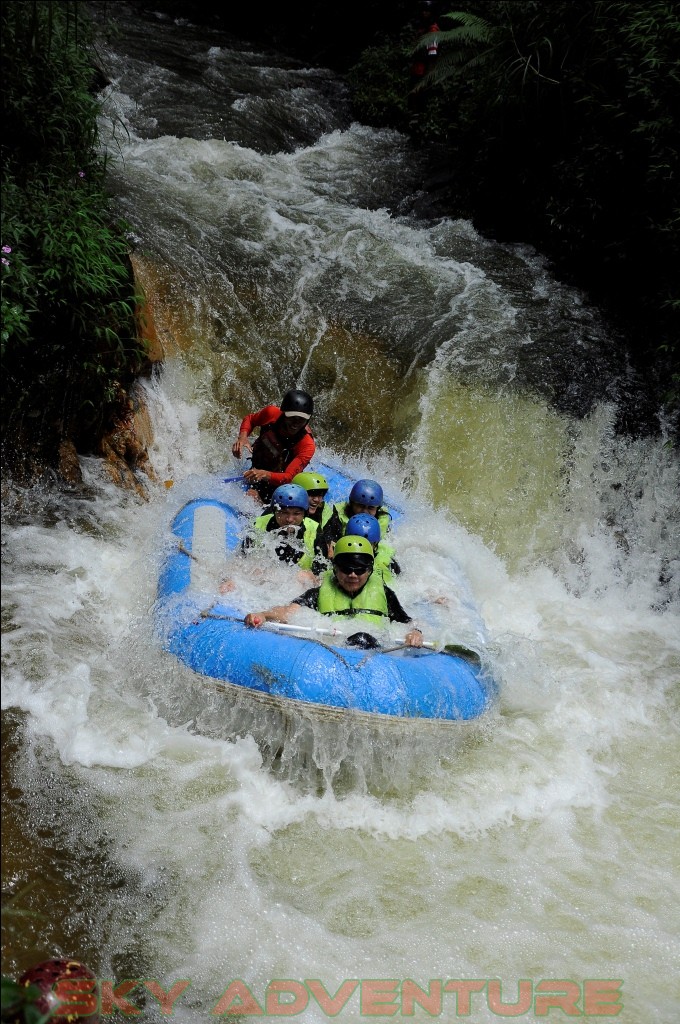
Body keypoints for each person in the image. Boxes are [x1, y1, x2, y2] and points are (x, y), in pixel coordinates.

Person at [244, 535, 424, 648]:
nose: (353, 575)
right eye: (346, 569)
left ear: (369, 571)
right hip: (334, 650)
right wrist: (264, 615)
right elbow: (289, 612)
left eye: (360, 570)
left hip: (375, 649)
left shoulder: (384, 593)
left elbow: (407, 621)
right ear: (335, 568)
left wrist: (415, 633)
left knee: (364, 639)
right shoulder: (319, 592)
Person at [220, 483, 327, 592]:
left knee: (303, 576)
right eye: (284, 513)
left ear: (304, 514)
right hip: (261, 581)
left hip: (294, 587)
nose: (290, 519)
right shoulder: (259, 525)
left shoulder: (315, 531)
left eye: (296, 514)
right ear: (275, 511)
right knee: (256, 569)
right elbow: (239, 559)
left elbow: (323, 573)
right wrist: (229, 579)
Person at [231, 389, 315, 503]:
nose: (295, 423)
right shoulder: (271, 413)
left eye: (301, 419)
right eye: (292, 418)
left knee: (251, 496)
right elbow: (250, 420)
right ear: (284, 413)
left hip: (278, 482)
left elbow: (288, 477)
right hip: (259, 465)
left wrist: (264, 474)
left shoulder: (307, 445)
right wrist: (243, 437)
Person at [321, 478, 392, 554]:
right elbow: (329, 533)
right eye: (360, 506)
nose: (364, 511)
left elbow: (384, 549)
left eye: (370, 508)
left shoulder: (382, 522)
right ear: (352, 504)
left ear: (377, 509)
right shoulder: (339, 515)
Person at [344, 512, 401, 584]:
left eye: (366, 544)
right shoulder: (339, 558)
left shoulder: (389, 562)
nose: (360, 548)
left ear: (375, 544)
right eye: (356, 543)